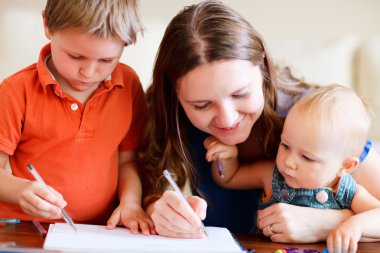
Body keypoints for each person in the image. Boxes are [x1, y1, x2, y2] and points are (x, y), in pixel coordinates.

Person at [138, 0, 380, 242]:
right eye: (202, 105)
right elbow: (139, 190)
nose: (227, 119)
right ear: (176, 96)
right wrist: (155, 208)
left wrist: (328, 223)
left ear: (263, 67)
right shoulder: (170, 117)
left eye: (240, 94)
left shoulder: (312, 121)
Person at [0, 0, 154, 235]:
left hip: (102, 231)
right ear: (47, 25)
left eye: (106, 61)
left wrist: (131, 203)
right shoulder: (16, 91)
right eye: (75, 56)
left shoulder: (129, 85)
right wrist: (21, 191)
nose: (89, 73)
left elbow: (128, 161)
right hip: (27, 229)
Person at [205, 84, 380, 252]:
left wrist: (355, 225)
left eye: (306, 157)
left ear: (345, 166)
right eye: (286, 146)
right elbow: (230, 178)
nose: (289, 162)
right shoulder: (271, 175)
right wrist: (229, 158)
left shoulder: (347, 191)